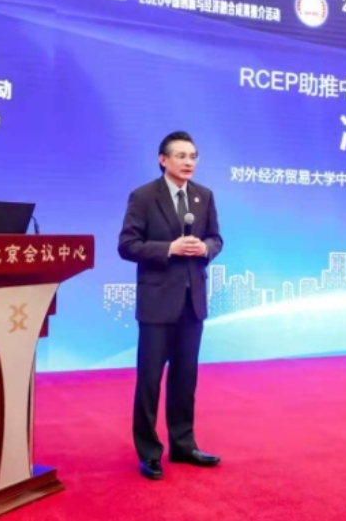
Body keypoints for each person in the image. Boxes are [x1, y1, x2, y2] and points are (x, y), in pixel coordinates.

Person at [117, 130, 224, 480]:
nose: (188, 162)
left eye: (193, 156)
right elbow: (127, 245)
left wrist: (205, 248)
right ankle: (149, 452)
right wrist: (168, 249)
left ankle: (183, 444)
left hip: (192, 302)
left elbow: (216, 238)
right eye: (181, 156)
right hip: (157, 302)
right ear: (163, 160)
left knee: (185, 378)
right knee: (149, 380)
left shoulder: (204, 196)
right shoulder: (144, 197)